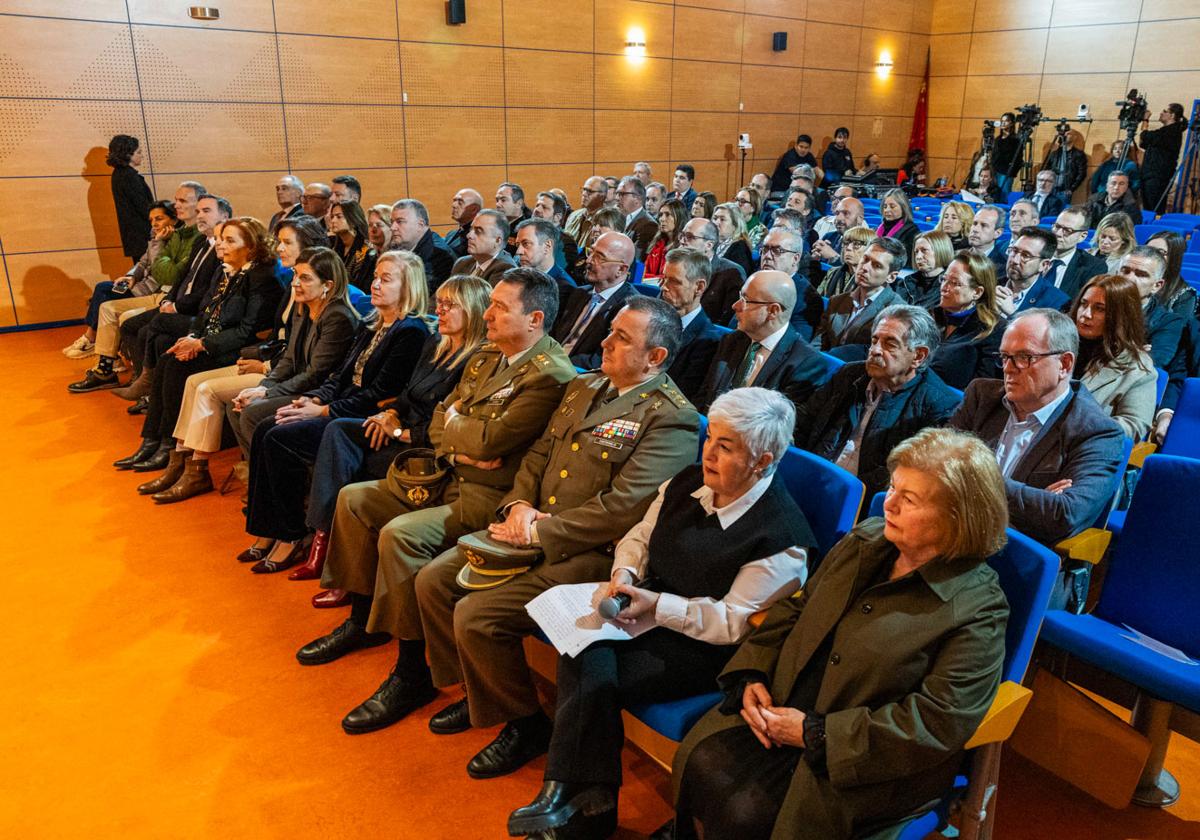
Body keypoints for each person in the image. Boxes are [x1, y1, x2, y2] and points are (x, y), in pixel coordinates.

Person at [670, 427, 1010, 840]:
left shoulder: (978, 608)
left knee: (749, 812)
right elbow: (797, 607)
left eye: (910, 498)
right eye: (892, 487)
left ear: (958, 519)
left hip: (864, 759)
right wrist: (753, 674)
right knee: (701, 762)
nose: (889, 503)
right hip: (787, 703)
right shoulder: (867, 540)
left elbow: (936, 723)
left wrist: (815, 734)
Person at [414, 296, 700, 778]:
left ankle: (525, 724)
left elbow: (622, 509)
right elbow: (538, 456)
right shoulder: (586, 386)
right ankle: (472, 686)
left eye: (622, 338)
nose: (605, 341)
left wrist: (539, 534)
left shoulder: (671, 417)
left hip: (590, 554)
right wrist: (519, 505)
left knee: (477, 613)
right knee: (433, 580)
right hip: (529, 526)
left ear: (656, 357)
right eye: (610, 329)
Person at [508, 387, 813, 838]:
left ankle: (574, 795)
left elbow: (731, 623)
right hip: (650, 608)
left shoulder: (782, 540)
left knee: (589, 665)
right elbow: (641, 533)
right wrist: (626, 573)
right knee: (584, 651)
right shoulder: (690, 481)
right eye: (710, 438)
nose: (708, 453)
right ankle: (587, 801)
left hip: (706, 649)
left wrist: (659, 607)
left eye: (725, 447)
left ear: (763, 460)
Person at [294, 269, 577, 733]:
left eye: (500, 307)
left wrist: (463, 436)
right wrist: (461, 441)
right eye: (490, 304)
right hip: (449, 475)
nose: (487, 313)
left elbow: (490, 442)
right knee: (354, 500)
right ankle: (362, 620)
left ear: (535, 319)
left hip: (489, 496)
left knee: (400, 535)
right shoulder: (488, 355)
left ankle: (412, 673)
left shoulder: (549, 374)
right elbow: (447, 415)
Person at [295, 275, 492, 599]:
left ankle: (343, 569)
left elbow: (447, 425)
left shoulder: (475, 360)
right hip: (399, 427)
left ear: (471, 311)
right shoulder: (436, 343)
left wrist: (400, 432)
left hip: (424, 446)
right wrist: (390, 414)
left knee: (353, 466)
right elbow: (404, 394)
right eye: (438, 303)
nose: (439, 310)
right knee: (340, 430)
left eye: (449, 305)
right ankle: (323, 535)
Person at [241, 250, 434, 574]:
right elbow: (339, 377)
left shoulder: (411, 331)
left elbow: (378, 395)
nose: (374, 284)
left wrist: (323, 411)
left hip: (364, 417)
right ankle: (268, 529)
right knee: (265, 426)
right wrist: (312, 401)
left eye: (385, 279)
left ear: (408, 286)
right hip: (338, 406)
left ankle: (291, 535)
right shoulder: (372, 324)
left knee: (278, 439)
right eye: (375, 276)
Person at [142, 246, 359, 504]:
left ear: (328, 284)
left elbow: (315, 374)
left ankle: (273, 488)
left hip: (317, 394)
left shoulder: (338, 316)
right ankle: (259, 480)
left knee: (252, 411)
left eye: (305, 278)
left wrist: (266, 391)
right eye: (295, 276)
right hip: (296, 384)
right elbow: (289, 359)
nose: (295, 283)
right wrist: (263, 386)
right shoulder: (306, 308)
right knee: (240, 405)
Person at [154, 215, 330, 486]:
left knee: (205, 387)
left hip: (281, 370)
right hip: (270, 359)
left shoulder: (287, 283)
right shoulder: (289, 284)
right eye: (279, 242)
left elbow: (296, 350)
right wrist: (196, 338)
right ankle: (180, 456)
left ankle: (196, 468)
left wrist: (264, 367)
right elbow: (210, 314)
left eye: (286, 243)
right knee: (182, 369)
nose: (279, 248)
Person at [121, 217, 285, 480]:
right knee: (167, 357)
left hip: (237, 349)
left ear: (251, 247)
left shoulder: (261, 277)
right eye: (221, 239)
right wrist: (192, 338)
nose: (221, 245)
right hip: (212, 341)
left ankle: (170, 447)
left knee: (176, 365)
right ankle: (152, 441)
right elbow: (207, 314)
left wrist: (202, 344)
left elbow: (246, 332)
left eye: (230, 240)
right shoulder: (228, 270)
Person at [949, 308, 1124, 544]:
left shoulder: (1097, 432)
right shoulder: (981, 396)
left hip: (1014, 558)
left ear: (1064, 363)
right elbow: (935, 463)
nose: (1008, 368)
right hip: (951, 529)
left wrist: (973, 478)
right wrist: (1036, 498)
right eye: (1004, 357)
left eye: (1024, 357)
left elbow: (1065, 515)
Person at [796, 304, 960, 495]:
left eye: (890, 344)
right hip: (810, 481)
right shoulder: (849, 375)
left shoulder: (938, 406)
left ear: (918, 356)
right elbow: (803, 422)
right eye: (874, 340)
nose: (875, 350)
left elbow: (904, 478)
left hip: (864, 507)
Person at [67, 182, 206, 389]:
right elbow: (146, 264)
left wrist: (160, 251)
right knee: (106, 299)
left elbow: (169, 275)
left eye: (182, 201)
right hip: (156, 291)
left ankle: (134, 375)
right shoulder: (175, 235)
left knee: (118, 308)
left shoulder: (188, 237)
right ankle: (105, 368)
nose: (177, 204)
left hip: (164, 294)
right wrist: (132, 275)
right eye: (176, 200)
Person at [64, 200, 180, 359]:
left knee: (104, 291)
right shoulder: (156, 237)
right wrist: (131, 276)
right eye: (151, 220)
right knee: (103, 289)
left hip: (152, 292)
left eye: (159, 219)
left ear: (173, 219)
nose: (154, 224)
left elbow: (159, 268)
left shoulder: (175, 241)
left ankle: (91, 339)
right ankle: (95, 342)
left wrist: (158, 242)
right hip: (139, 285)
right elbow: (143, 262)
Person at [698, 270, 828, 413]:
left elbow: (780, 427)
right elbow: (704, 397)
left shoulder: (806, 364)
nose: (735, 306)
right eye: (740, 296)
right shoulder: (732, 340)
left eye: (745, 300)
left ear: (773, 311)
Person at [1072, 274, 1157, 440]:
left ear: (1120, 316)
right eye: (1083, 304)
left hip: (1080, 448)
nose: (1086, 314)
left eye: (1100, 309)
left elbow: (1134, 425)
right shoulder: (1053, 342)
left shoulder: (1138, 368)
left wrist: (1078, 426)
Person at [552, 232, 639, 369]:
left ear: (621, 269)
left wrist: (558, 363)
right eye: (591, 252)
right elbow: (554, 334)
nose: (589, 260)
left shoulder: (630, 309)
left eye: (599, 257)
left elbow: (604, 358)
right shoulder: (578, 293)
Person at [928, 251, 1005, 389]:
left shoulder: (993, 330)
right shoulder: (929, 315)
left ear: (977, 292)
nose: (944, 287)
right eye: (944, 279)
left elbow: (982, 389)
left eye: (954, 283)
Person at [818, 238, 905, 358]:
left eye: (876, 265)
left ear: (891, 277)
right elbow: (818, 343)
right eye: (865, 259)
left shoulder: (897, 314)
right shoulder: (837, 301)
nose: (865, 267)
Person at [659, 247, 723, 404]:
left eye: (674, 281)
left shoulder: (708, 341)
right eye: (664, 278)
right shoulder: (652, 318)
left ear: (699, 287)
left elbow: (682, 396)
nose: (663, 287)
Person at [1118, 246, 1186, 369]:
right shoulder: (1094, 302)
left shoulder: (1168, 322)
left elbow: (1153, 363)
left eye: (1141, 274)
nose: (1129, 278)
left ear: (1157, 285)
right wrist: (1133, 352)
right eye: (1125, 271)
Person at [758, 227, 826, 342]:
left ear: (795, 258)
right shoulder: (755, 282)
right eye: (765, 249)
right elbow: (736, 325)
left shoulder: (807, 299)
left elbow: (793, 345)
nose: (767, 256)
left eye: (777, 251)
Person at [681, 218, 748, 327]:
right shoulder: (678, 266)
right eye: (682, 235)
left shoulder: (731, 273)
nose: (682, 241)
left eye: (689, 237)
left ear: (709, 245)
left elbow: (727, 322)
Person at [996, 226, 1070, 317]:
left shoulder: (1055, 302)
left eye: (1026, 255)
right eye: (1014, 251)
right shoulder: (992, 284)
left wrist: (1012, 313)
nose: (1015, 260)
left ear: (1044, 265)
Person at [389, 198, 455, 293]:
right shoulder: (395, 248)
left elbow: (422, 296)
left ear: (420, 224)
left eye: (400, 221)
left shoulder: (440, 256)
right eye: (392, 222)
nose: (392, 227)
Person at [107, 134, 154, 262]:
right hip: (141, 235)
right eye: (138, 152)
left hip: (134, 237)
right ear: (128, 155)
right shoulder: (128, 176)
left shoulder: (119, 174)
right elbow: (144, 207)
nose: (142, 155)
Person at [1044, 206, 1108, 300]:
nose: (1058, 233)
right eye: (1057, 226)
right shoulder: (1035, 254)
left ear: (1082, 236)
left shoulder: (1093, 267)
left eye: (1067, 230)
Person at [1139, 102, 1187, 214]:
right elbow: (1142, 142)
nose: (1161, 113)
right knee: (1148, 209)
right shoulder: (1162, 131)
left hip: (1158, 177)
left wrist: (1145, 120)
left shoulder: (1173, 131)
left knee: (1154, 210)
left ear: (1173, 115)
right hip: (1149, 175)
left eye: (1165, 111)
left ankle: (1155, 230)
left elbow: (1144, 136)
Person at [451, 209, 516, 285]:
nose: (469, 235)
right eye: (471, 229)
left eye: (478, 231)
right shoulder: (462, 263)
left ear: (497, 241)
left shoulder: (506, 269)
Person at [895, 229, 952, 309]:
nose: (918, 257)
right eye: (916, 252)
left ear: (940, 250)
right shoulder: (904, 283)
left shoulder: (950, 286)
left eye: (924, 250)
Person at [328, 200, 376, 292]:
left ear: (353, 220)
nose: (333, 220)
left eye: (339, 217)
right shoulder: (334, 248)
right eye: (332, 217)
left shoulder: (367, 250)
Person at [1147, 230, 1196, 316]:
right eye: (1148, 250)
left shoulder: (1185, 295)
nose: (1150, 256)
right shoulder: (1133, 278)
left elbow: (1177, 327)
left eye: (1160, 252)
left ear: (1174, 257)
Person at [816, 226, 873, 298]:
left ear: (870, 249)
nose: (848, 248)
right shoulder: (832, 272)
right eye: (846, 243)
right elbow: (818, 300)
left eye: (857, 244)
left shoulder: (871, 281)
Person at [615, 176, 658, 262]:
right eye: (617, 193)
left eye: (622, 194)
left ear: (637, 199)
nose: (617, 198)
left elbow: (635, 259)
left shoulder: (648, 225)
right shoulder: (618, 218)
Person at [642, 198, 687, 280]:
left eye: (667, 214)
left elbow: (671, 277)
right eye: (660, 215)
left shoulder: (684, 246)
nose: (662, 219)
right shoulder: (657, 242)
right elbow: (644, 271)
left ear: (679, 217)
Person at [1039, 130, 1088, 202]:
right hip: (1050, 189)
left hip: (1065, 191)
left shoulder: (1078, 154)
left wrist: (1071, 189)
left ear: (1074, 137)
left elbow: (1082, 173)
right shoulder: (1054, 154)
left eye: (1068, 134)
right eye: (1064, 133)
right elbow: (1046, 170)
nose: (1065, 135)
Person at [873, 189, 919, 261]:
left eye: (892, 206)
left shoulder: (912, 232)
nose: (887, 210)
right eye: (885, 207)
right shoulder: (877, 229)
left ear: (903, 208)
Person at [712, 202, 755, 277]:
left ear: (735, 225)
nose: (716, 223)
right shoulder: (711, 244)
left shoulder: (740, 248)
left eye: (722, 219)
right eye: (715, 218)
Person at [967, 203, 1008, 272]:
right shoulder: (958, 256)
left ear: (997, 233)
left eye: (984, 225)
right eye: (975, 223)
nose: (975, 229)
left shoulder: (1002, 266)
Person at [444, 188, 483, 257]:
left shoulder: (479, 237)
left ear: (474, 209)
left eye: (460, 202)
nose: (454, 205)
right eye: (454, 201)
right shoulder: (450, 234)